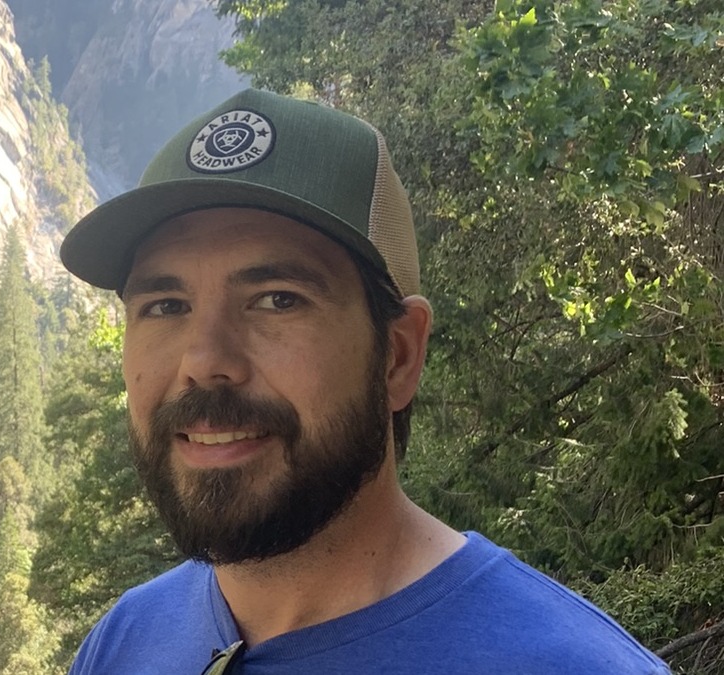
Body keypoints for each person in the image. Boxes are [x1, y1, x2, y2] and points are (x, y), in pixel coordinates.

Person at [60, 88, 671, 674]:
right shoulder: (124, 641)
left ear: (398, 356)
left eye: (278, 299)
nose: (204, 360)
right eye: (166, 306)